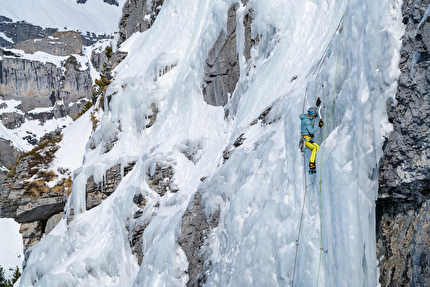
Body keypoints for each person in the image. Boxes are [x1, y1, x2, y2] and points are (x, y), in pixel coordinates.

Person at [300, 102, 324, 174]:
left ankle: (312, 165)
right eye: (313, 116)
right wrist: (319, 126)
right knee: (315, 148)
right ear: (310, 114)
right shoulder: (307, 121)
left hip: (306, 139)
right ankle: (311, 164)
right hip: (306, 140)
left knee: (316, 147)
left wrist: (317, 107)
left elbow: (316, 114)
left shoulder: (308, 117)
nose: (314, 117)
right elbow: (310, 131)